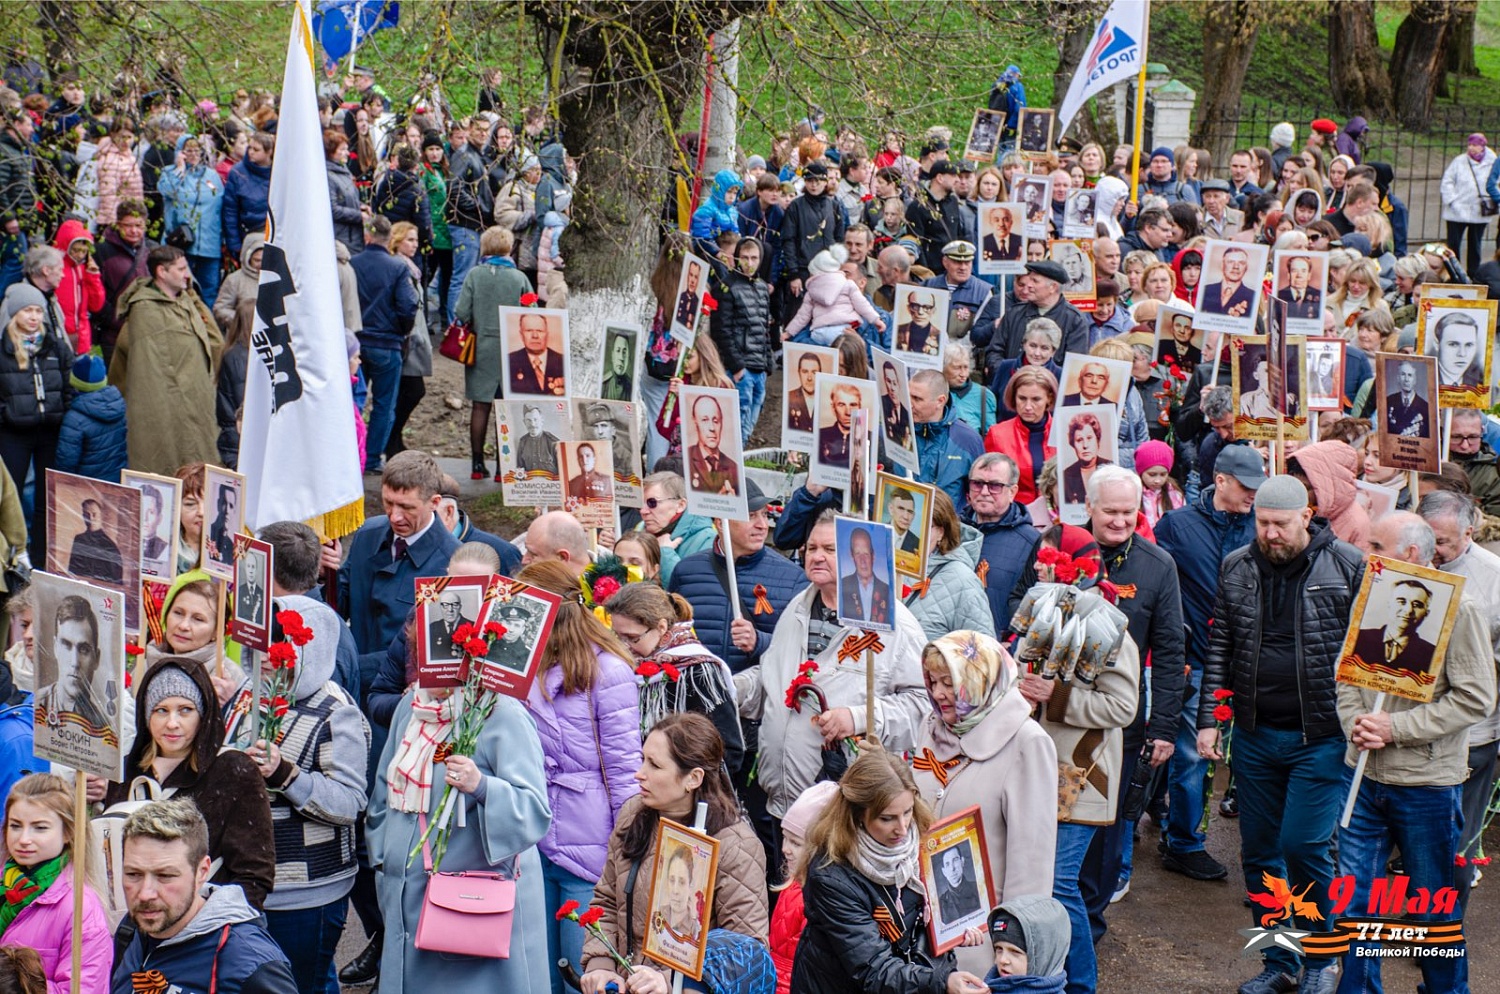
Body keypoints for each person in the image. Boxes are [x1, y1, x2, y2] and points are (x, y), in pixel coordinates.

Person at [1196, 476, 1364, 994]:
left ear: (1306, 518)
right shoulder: (1237, 565)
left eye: (1279, 524)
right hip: (1254, 732)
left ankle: (1320, 957)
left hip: (1322, 733)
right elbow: (1220, 641)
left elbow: (1369, 647)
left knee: (1304, 846)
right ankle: (1279, 959)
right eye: (1261, 523)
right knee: (1261, 851)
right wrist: (1209, 718)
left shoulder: (1349, 565)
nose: (1268, 533)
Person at [1337, 512, 1494, 994]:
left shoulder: (1461, 609)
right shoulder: (1370, 599)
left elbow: (1476, 698)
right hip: (1362, 778)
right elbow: (1347, 677)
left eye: (1376, 546)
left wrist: (1395, 728)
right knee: (1357, 901)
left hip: (1426, 785)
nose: (1367, 556)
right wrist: (1356, 727)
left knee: (1432, 907)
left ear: (1409, 554)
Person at [366, 642, 552, 992]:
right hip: (408, 900)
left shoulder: (502, 713)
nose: (429, 668)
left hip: (474, 909)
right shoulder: (410, 705)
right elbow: (382, 791)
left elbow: (533, 812)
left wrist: (482, 787)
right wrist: (383, 860)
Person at [736, 510, 927, 820]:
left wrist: (857, 719)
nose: (817, 557)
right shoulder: (798, 607)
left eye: (830, 549)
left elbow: (922, 708)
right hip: (783, 805)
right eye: (811, 548)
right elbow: (773, 681)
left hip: (845, 812)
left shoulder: (892, 622)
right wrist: (735, 687)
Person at [221, 596, 368, 994]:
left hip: (306, 893)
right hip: (249, 882)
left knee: (303, 984)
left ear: (310, 646)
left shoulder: (337, 711)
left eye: (280, 643)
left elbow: (350, 803)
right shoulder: (251, 695)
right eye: (263, 642)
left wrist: (286, 774)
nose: (267, 655)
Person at [513, 560, 642, 994]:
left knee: (584, 973)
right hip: (531, 834)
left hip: (590, 843)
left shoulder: (609, 672)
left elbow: (625, 769)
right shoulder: (521, 666)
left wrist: (627, 847)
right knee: (537, 972)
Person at [579, 713, 768, 993]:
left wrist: (667, 982)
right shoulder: (633, 814)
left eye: (654, 765)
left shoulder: (737, 845)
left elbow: (744, 954)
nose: (639, 773)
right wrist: (602, 966)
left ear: (693, 778)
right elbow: (606, 899)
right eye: (643, 759)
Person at [913, 632, 1057, 975]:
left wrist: (1012, 947)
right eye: (933, 681)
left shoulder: (1027, 742)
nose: (938, 693)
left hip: (981, 939)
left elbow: (1032, 863)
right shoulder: (931, 726)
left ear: (979, 680)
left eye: (949, 682)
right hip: (922, 924)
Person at [789, 749, 989, 994]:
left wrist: (956, 928)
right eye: (887, 819)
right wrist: (941, 982)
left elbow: (923, 921)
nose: (903, 829)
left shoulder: (924, 840)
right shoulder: (831, 876)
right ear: (858, 814)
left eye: (907, 812)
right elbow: (872, 969)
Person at [1152, 444, 1263, 885]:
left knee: (1241, 756)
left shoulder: (1262, 525)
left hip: (1249, 662)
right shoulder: (1177, 526)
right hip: (1195, 660)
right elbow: (1158, 582)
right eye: (1246, 486)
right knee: (1191, 756)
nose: (1253, 495)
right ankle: (1183, 842)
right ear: (1220, 481)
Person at [98, 659, 275, 907]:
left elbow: (254, 874)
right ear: (146, 715)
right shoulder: (126, 771)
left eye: (185, 710)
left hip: (206, 923)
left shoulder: (233, 770)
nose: (172, 723)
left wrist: (215, 924)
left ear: (203, 714)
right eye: (161, 710)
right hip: (135, 920)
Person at [112, 799, 296, 994]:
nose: (145, 894)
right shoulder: (132, 929)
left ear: (202, 871)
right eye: (133, 874)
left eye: (165, 876)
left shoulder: (251, 964)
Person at [335, 452, 461, 694]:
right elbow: (340, 603)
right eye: (388, 503)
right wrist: (321, 574)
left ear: (435, 503)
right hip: (349, 689)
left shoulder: (452, 564)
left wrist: (349, 667)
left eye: (406, 507)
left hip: (396, 699)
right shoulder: (367, 535)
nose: (394, 516)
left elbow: (431, 653)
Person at [605, 582, 744, 774]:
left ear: (661, 627)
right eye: (617, 636)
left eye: (632, 637)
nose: (624, 646)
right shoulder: (625, 665)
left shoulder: (697, 669)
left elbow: (727, 750)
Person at [109, 245, 223, 477]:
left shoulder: (186, 302)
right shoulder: (144, 311)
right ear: (162, 272)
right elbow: (140, 368)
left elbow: (214, 341)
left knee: (199, 464)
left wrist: (193, 296)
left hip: (196, 402)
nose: (187, 275)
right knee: (165, 465)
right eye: (181, 269)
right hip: (160, 410)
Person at [0, 773, 110, 994]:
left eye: (40, 828)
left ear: (68, 832)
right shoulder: (5, 881)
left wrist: (16, 983)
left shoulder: (81, 908)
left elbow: (83, 990)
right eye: (16, 825)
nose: (23, 839)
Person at [0, 283, 72, 561]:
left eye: (38, 310)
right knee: (12, 496)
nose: (33, 316)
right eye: (27, 310)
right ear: (15, 313)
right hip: (13, 432)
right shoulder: (4, 348)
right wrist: (6, 414)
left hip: (49, 431)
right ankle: (14, 556)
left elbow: (70, 380)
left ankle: (43, 558)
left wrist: (64, 408)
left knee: (48, 497)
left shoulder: (54, 345)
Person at [351, 216, 421, 473]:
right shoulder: (396, 267)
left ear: (368, 236)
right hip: (387, 342)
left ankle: (351, 454)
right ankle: (370, 459)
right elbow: (408, 305)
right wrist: (402, 332)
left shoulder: (353, 263)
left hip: (357, 342)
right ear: (389, 238)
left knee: (354, 400)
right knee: (383, 404)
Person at [157, 134, 225, 305]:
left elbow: (221, 204)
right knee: (182, 288)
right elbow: (166, 191)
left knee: (210, 289)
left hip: (210, 244)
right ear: (180, 152)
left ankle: (207, 328)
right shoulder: (169, 173)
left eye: (197, 150)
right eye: (188, 151)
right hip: (183, 243)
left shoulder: (212, 175)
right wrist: (179, 169)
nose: (193, 155)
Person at [911, 369, 984, 512]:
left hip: (948, 529)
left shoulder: (968, 440)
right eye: (908, 396)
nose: (910, 404)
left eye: (917, 399)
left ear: (940, 401)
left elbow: (979, 495)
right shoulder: (897, 430)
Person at [982, 897, 1071, 994]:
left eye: (1015, 951)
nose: (1002, 960)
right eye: (999, 949)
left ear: (1044, 958)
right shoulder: (990, 987)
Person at [1439, 133, 1497, 275]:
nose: (1471, 148)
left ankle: (1473, 273)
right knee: (1453, 244)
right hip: (1457, 211)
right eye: (1469, 144)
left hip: (1479, 210)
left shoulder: (1493, 162)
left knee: (1475, 244)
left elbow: (1497, 183)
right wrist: (1452, 200)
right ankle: (1453, 273)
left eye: (1475, 145)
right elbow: (1447, 181)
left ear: (1482, 146)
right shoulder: (1459, 161)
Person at [221, 131, 273, 258]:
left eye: (256, 149)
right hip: (249, 233)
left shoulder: (278, 171)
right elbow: (230, 211)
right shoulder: (237, 173)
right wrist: (235, 245)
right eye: (250, 147)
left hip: (274, 233)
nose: (251, 152)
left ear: (269, 152)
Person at [686, 393, 740, 495]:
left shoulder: (734, 468)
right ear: (695, 422)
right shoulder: (685, 459)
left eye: (716, 421)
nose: (712, 428)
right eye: (705, 420)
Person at [838, 526, 892, 625]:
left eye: (866, 554)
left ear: (873, 556)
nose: (863, 561)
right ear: (852, 556)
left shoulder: (887, 590)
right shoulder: (842, 586)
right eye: (858, 554)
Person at [507, 309, 566, 396]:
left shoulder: (563, 361)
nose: (535, 336)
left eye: (539, 331)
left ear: (547, 334)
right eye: (529, 330)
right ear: (521, 335)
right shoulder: (509, 361)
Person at [66, 498, 122, 585]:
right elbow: (72, 571)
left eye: (94, 514)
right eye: (87, 514)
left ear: (101, 516)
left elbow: (115, 581)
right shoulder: (79, 539)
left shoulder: (109, 546)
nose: (91, 518)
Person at [1200, 247, 1257, 319]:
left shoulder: (1253, 296)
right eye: (1231, 262)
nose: (1236, 266)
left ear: (1246, 268)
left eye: (1241, 263)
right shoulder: (1205, 290)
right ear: (1222, 265)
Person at [1384, 358, 1428, 437]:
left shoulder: (1426, 407)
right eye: (1403, 374)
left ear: (1415, 380)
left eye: (1410, 375)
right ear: (1398, 378)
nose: (1406, 379)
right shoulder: (1388, 401)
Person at [514, 403, 561, 475]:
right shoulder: (523, 442)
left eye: (535, 420)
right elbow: (520, 469)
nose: (532, 424)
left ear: (542, 421)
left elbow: (562, 471)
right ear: (524, 422)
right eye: (528, 420)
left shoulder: (553, 442)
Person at [894, 288, 942, 358]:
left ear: (933, 311)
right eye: (915, 306)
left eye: (927, 307)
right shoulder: (897, 330)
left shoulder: (940, 335)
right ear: (908, 308)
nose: (920, 312)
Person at [207, 480, 239, 566]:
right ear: (218, 504)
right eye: (224, 503)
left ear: (234, 510)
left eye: (231, 506)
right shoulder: (207, 533)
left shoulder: (231, 545)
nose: (227, 511)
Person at [600, 331, 635, 402]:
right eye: (618, 351)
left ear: (628, 357)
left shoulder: (632, 388)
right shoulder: (603, 385)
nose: (621, 358)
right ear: (613, 356)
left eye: (624, 352)